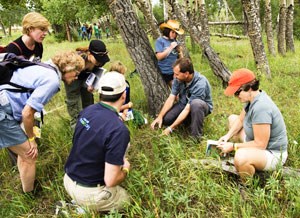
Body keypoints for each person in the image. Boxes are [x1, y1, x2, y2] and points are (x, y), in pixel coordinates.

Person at [0, 51, 85, 194]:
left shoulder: (45, 66)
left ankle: (26, 184)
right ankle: (29, 195)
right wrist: (32, 139)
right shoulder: (52, 80)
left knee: (24, 153)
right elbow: (27, 113)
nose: (76, 77)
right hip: (3, 112)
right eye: (76, 73)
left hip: (5, 106)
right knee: (29, 154)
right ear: (69, 68)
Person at [64, 72, 131, 212]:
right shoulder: (119, 130)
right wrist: (125, 169)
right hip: (89, 194)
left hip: (68, 180)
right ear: (123, 95)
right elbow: (110, 180)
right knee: (129, 202)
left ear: (99, 92)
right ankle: (86, 208)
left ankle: (80, 204)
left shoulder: (87, 111)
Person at [216, 68, 288, 181]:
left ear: (248, 88)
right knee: (232, 119)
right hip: (256, 140)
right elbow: (240, 120)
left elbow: (260, 144)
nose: (236, 96)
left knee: (240, 157)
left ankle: (247, 184)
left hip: (272, 153)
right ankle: (245, 156)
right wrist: (227, 136)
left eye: (237, 93)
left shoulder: (261, 107)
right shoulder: (253, 99)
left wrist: (233, 147)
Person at [5, 12, 50, 167]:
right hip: (12, 98)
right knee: (16, 131)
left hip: (30, 94)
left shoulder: (38, 46)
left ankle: (31, 152)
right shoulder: (13, 49)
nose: (45, 33)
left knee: (32, 123)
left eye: (46, 29)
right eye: (42, 29)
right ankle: (17, 164)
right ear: (29, 29)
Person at [151, 58, 213, 139]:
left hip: (199, 106)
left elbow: (187, 109)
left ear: (186, 74)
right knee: (166, 120)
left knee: (196, 104)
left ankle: (196, 137)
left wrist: (171, 128)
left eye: (177, 74)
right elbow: (171, 98)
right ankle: (187, 121)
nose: (174, 76)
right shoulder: (178, 79)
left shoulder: (200, 83)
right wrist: (160, 116)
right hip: (183, 103)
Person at [65, 40, 110, 128]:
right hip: (73, 79)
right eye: (97, 58)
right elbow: (66, 74)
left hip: (86, 79)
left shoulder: (100, 61)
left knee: (88, 100)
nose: (99, 62)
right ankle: (77, 126)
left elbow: (97, 73)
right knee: (73, 101)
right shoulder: (76, 60)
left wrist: (92, 84)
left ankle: (89, 122)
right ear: (89, 53)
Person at [109, 61, 147, 126]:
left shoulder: (126, 84)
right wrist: (127, 106)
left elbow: (127, 101)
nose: (123, 76)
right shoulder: (109, 87)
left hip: (124, 110)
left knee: (142, 121)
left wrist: (125, 112)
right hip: (112, 112)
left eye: (123, 74)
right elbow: (110, 108)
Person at [155, 20, 184, 88]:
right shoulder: (160, 41)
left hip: (176, 71)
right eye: (172, 32)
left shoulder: (175, 41)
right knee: (176, 92)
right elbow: (159, 57)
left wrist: (179, 51)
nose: (174, 35)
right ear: (167, 31)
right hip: (167, 71)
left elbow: (181, 59)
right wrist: (170, 47)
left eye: (176, 33)